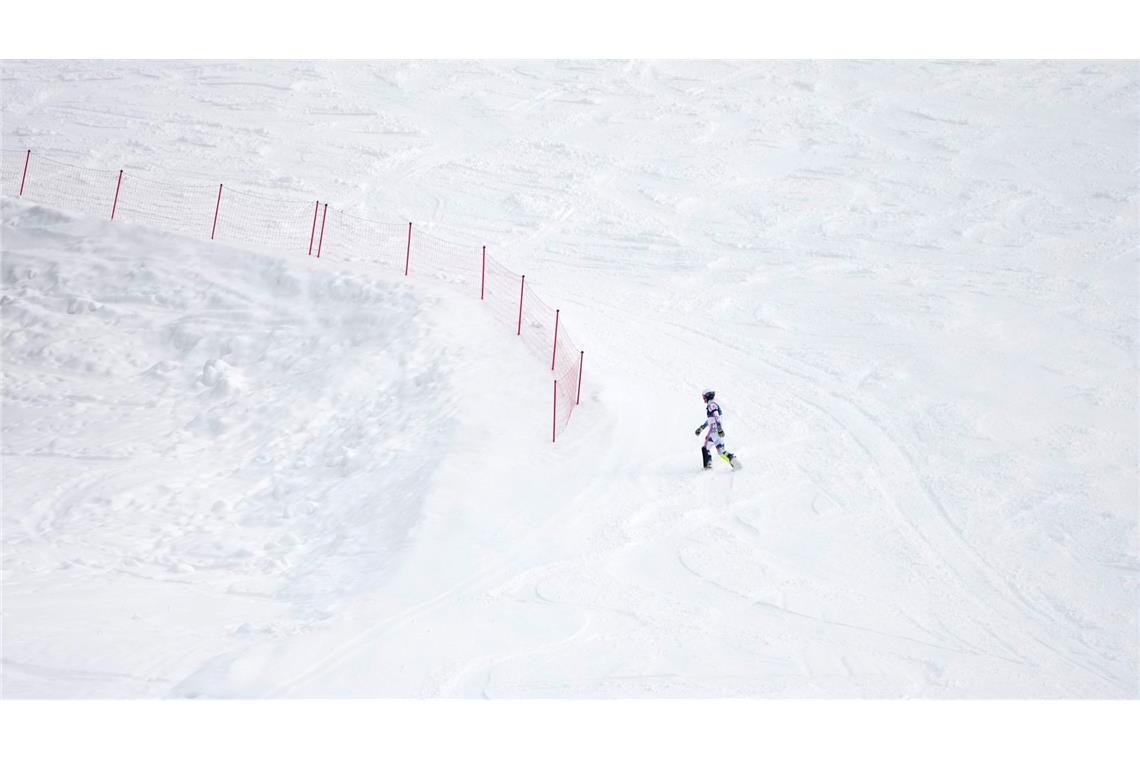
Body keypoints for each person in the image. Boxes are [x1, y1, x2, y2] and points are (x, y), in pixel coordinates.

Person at [694, 389, 738, 470]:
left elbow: (716, 415)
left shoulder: (712, 405)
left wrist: (719, 428)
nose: (703, 399)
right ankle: (734, 461)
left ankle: (708, 466)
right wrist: (701, 428)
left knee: (705, 447)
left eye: (704, 397)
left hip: (714, 431)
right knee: (721, 451)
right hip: (717, 432)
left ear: (708, 396)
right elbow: (710, 420)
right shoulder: (712, 405)